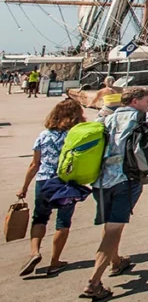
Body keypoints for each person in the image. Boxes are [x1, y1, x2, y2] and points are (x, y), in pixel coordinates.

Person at [84, 87, 148, 300]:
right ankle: (94, 282)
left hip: (101, 180)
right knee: (114, 228)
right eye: (146, 100)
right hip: (127, 178)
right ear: (135, 101)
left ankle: (116, 261)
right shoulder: (145, 117)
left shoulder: (106, 119)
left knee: (110, 225)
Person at [15, 99, 86, 277]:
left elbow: (34, 164)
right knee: (63, 222)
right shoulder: (76, 136)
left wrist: (23, 187)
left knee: (39, 218)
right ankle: (55, 262)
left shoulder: (44, 135)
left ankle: (34, 252)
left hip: (44, 181)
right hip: (66, 183)